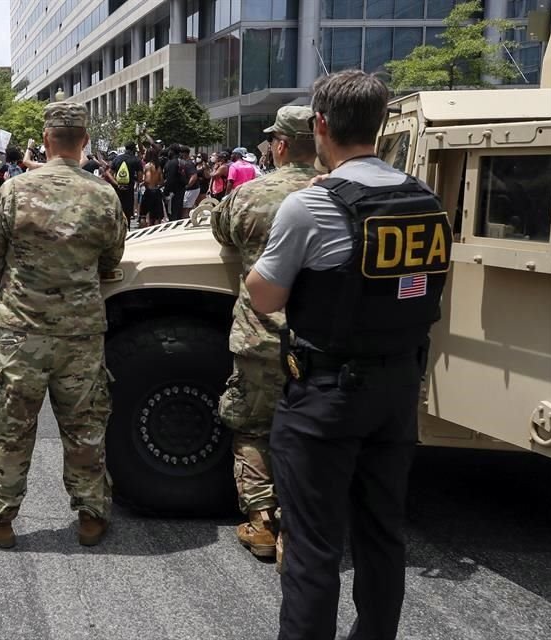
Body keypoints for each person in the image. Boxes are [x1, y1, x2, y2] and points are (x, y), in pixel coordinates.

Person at [245, 70, 453, 640]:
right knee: (383, 534)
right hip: (397, 389)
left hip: (326, 396)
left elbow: (264, 296)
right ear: (382, 124)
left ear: (321, 126)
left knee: (313, 545)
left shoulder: (310, 206)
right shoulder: (426, 201)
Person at [0, 101, 127, 550]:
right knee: (85, 426)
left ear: (47, 138)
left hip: (22, 333)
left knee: (11, 428)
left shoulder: (15, 191)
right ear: (85, 140)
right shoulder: (103, 195)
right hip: (81, 334)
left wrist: (22, 292)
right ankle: (91, 516)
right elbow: (112, 263)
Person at [211, 105, 319, 562]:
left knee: (254, 427)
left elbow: (222, 234)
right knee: (315, 434)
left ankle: (261, 522)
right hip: (321, 342)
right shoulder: (337, 193)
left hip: (259, 336)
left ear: (280, 145)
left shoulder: (251, 195)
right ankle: (303, 527)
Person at [109, 141, 143, 223]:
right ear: (133, 149)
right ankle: (127, 230)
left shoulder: (117, 159)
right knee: (127, 213)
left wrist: (117, 184)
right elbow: (140, 178)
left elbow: (110, 174)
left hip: (118, 189)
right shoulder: (136, 160)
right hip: (129, 190)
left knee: (118, 211)